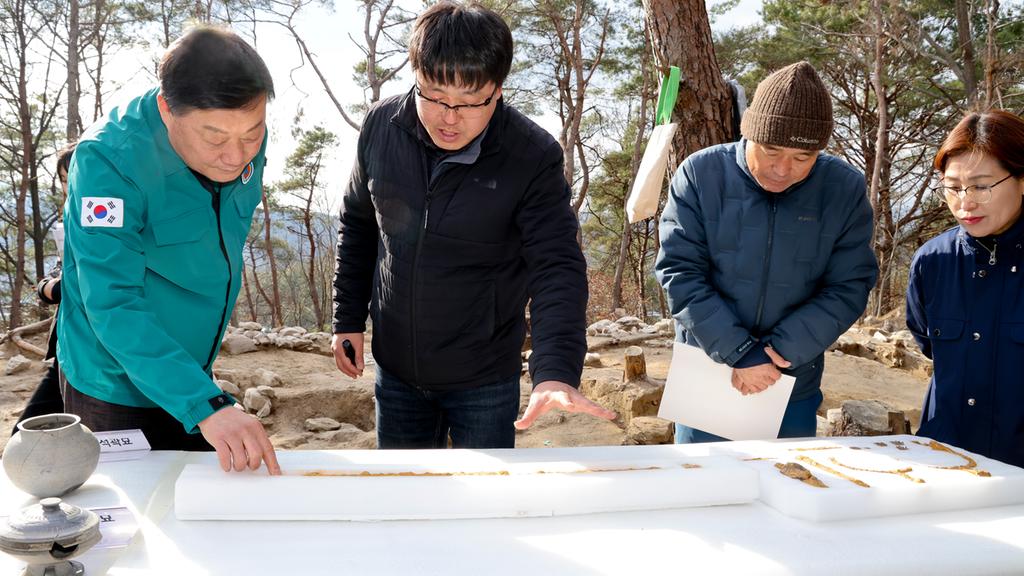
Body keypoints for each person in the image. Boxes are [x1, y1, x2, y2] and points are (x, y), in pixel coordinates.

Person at [331, 1, 615, 449]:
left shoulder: (531, 156)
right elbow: (359, 223)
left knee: (487, 506)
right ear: (416, 75)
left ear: (497, 90)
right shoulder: (381, 126)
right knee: (404, 501)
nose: (449, 117)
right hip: (397, 373)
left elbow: (556, 266)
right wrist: (346, 317)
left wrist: (555, 371)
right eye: (435, 97)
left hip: (484, 378)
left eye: (469, 102)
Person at [57, 26, 280, 474]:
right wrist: (206, 404)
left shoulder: (240, 136)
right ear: (166, 108)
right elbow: (113, 301)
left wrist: (200, 392)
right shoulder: (109, 162)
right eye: (215, 138)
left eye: (252, 134)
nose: (236, 157)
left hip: (191, 369)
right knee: (131, 516)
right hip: (112, 382)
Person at [655, 61, 878, 443]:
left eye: (802, 158)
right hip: (709, 369)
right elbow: (679, 270)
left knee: (789, 486)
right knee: (699, 489)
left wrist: (777, 351)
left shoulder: (842, 188)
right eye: (771, 150)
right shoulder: (701, 173)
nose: (782, 169)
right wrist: (741, 352)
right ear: (748, 133)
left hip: (791, 375)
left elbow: (849, 284)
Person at [906, 110, 1024, 467]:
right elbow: (927, 343)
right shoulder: (932, 262)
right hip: (945, 462)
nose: (965, 202)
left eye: (982, 186)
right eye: (953, 187)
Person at [12, 143, 76, 435]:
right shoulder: (68, 222)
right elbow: (53, 279)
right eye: (63, 180)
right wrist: (50, 288)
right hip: (68, 345)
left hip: (101, 349)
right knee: (27, 432)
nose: (68, 186)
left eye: (73, 175)